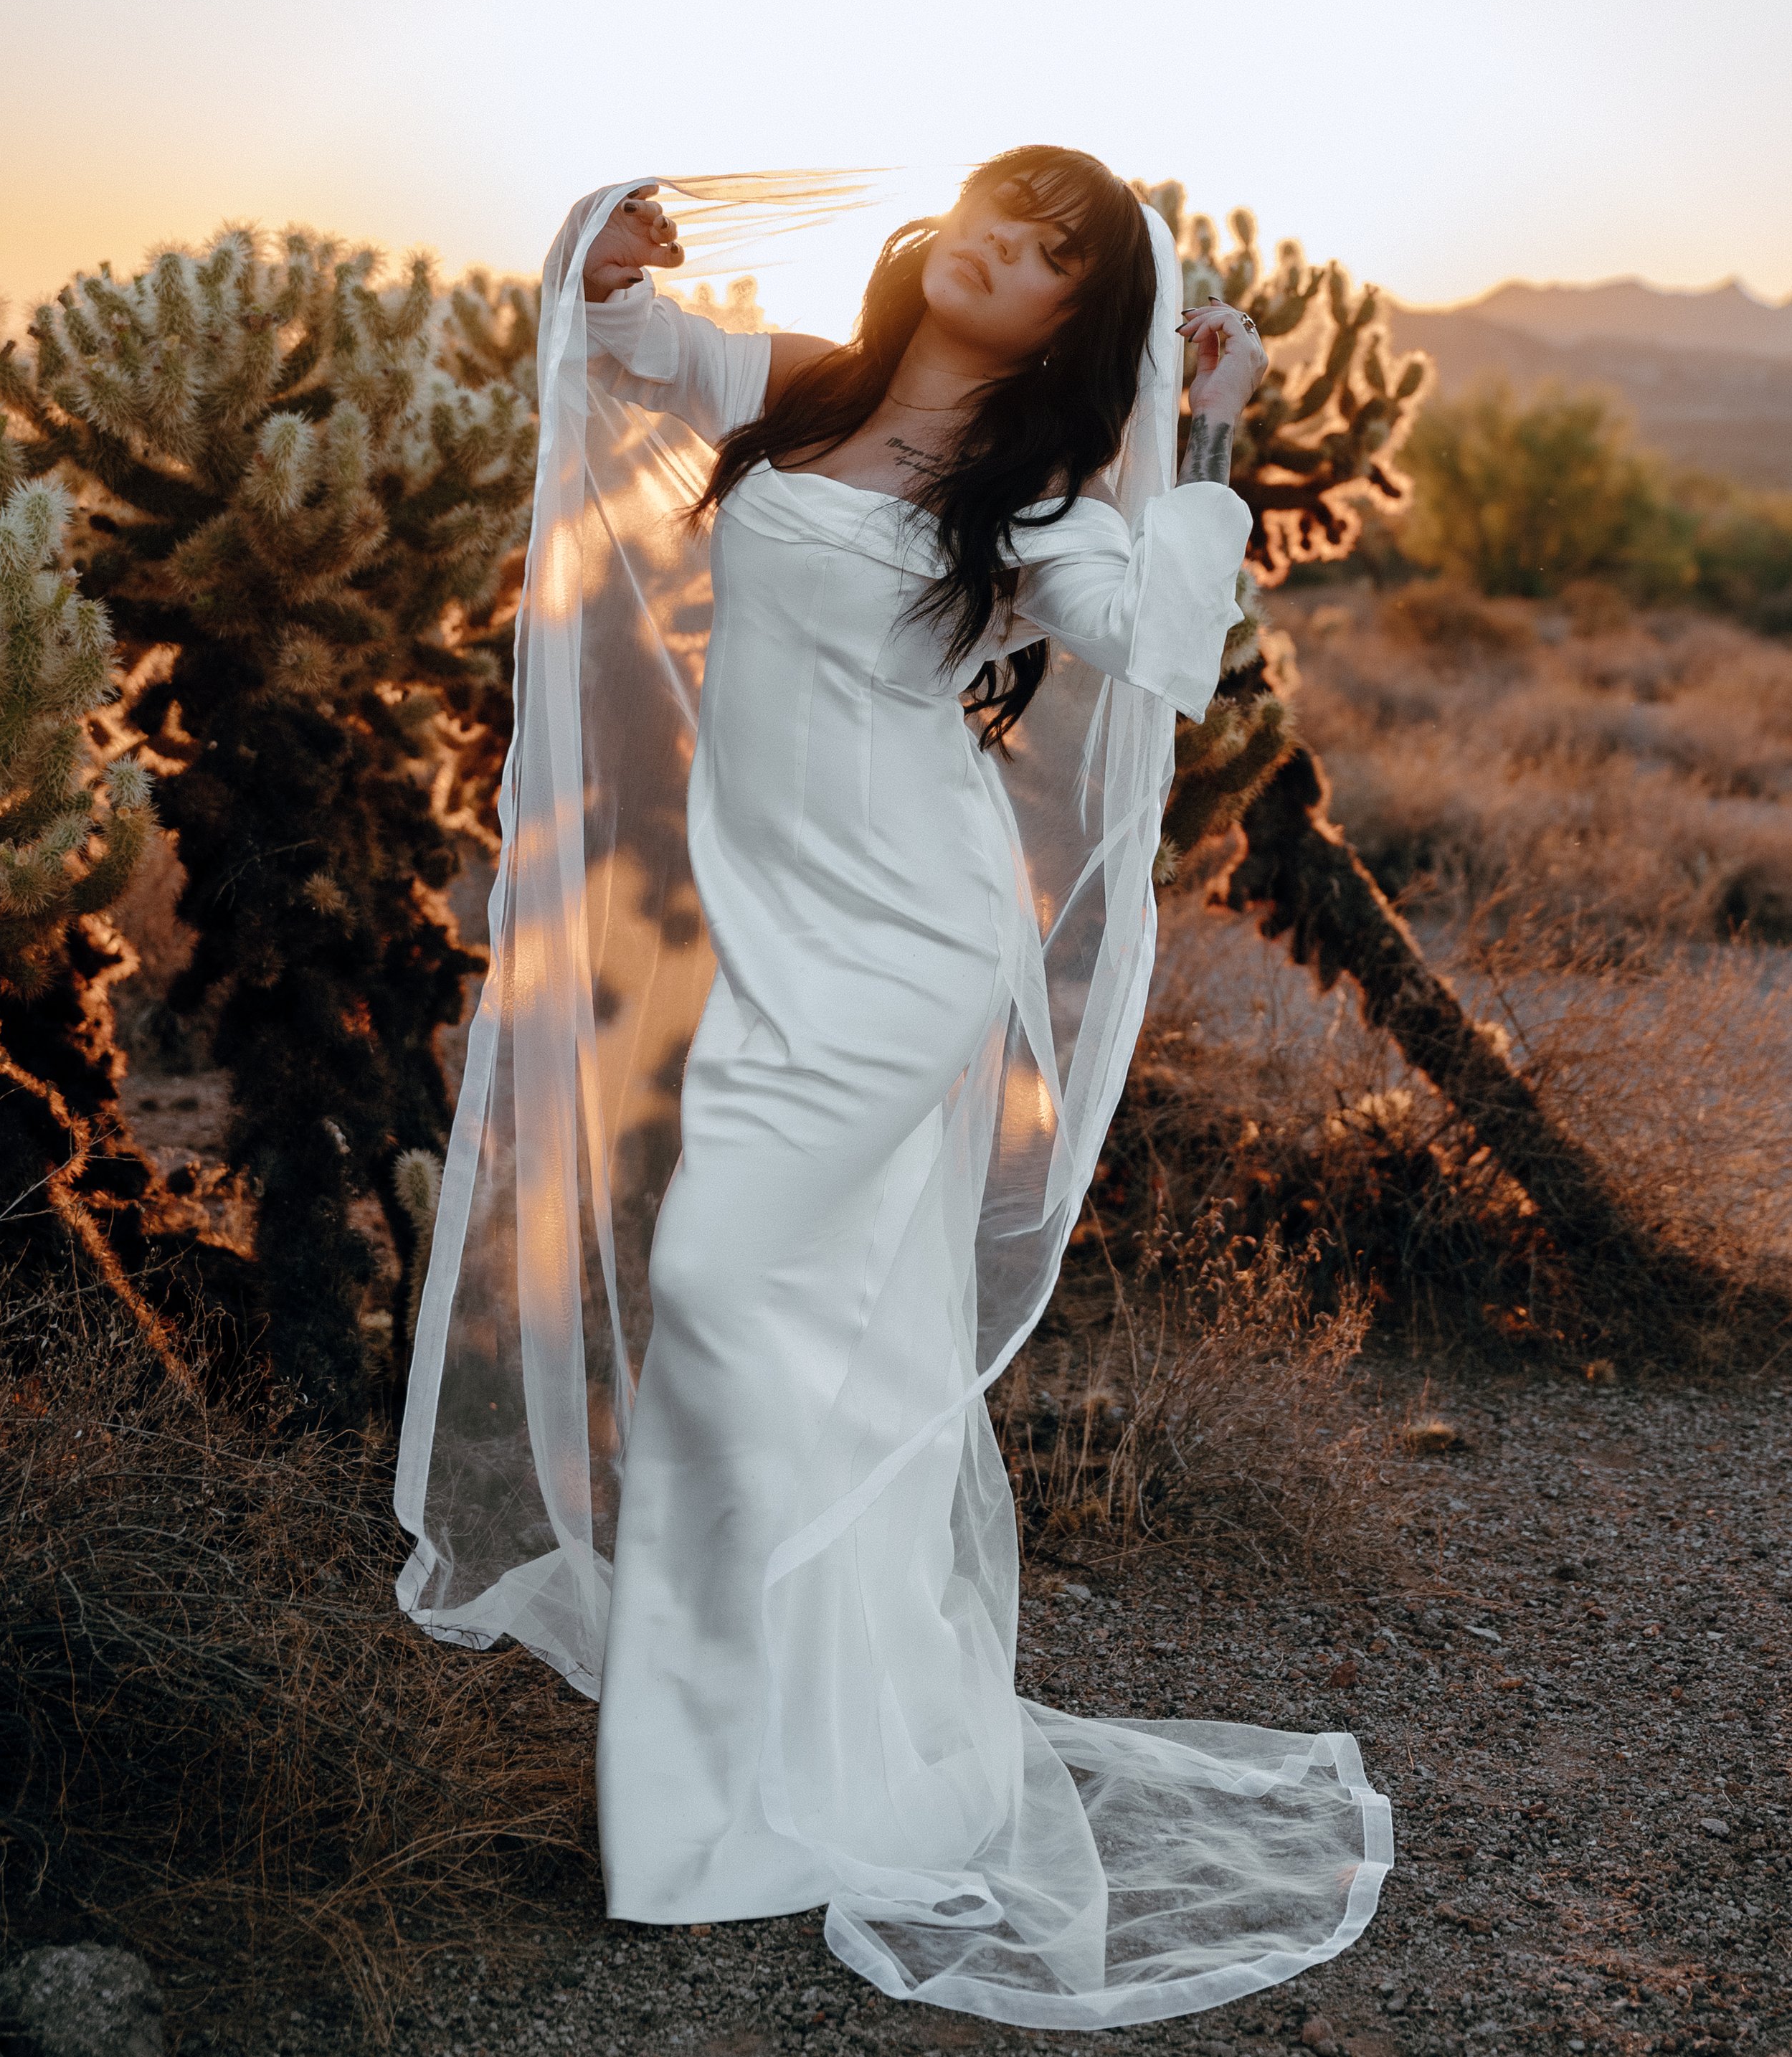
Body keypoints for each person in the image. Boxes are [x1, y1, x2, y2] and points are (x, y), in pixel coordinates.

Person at [396, 148, 1393, 2031]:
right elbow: (620, 346)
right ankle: (793, 1732)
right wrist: (601, 263)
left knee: (706, 1292)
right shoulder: (798, 389)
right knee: (797, 1329)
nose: (999, 245)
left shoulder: (1027, 499)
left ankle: (726, 1786)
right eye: (997, 208)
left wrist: (1202, 441)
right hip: (774, 918)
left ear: (1071, 323)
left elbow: (1164, 651)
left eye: (1050, 252)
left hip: (907, 938)